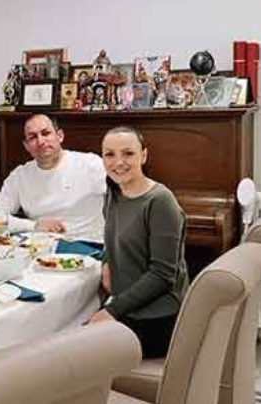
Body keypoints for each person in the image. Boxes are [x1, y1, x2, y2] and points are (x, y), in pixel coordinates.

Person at [88, 126, 188, 359]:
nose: (118, 162)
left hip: (158, 317)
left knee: (75, 352)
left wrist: (111, 311)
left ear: (143, 155)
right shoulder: (113, 191)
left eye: (128, 153)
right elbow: (112, 233)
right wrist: (106, 261)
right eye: (109, 154)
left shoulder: (160, 200)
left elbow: (162, 275)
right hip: (128, 306)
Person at [0, 113, 106, 244]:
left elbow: (121, 195)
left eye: (46, 133)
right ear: (26, 146)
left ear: (60, 136)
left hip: (87, 244)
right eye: (33, 137)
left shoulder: (90, 164)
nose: (41, 141)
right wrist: (34, 226)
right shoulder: (20, 176)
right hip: (41, 246)